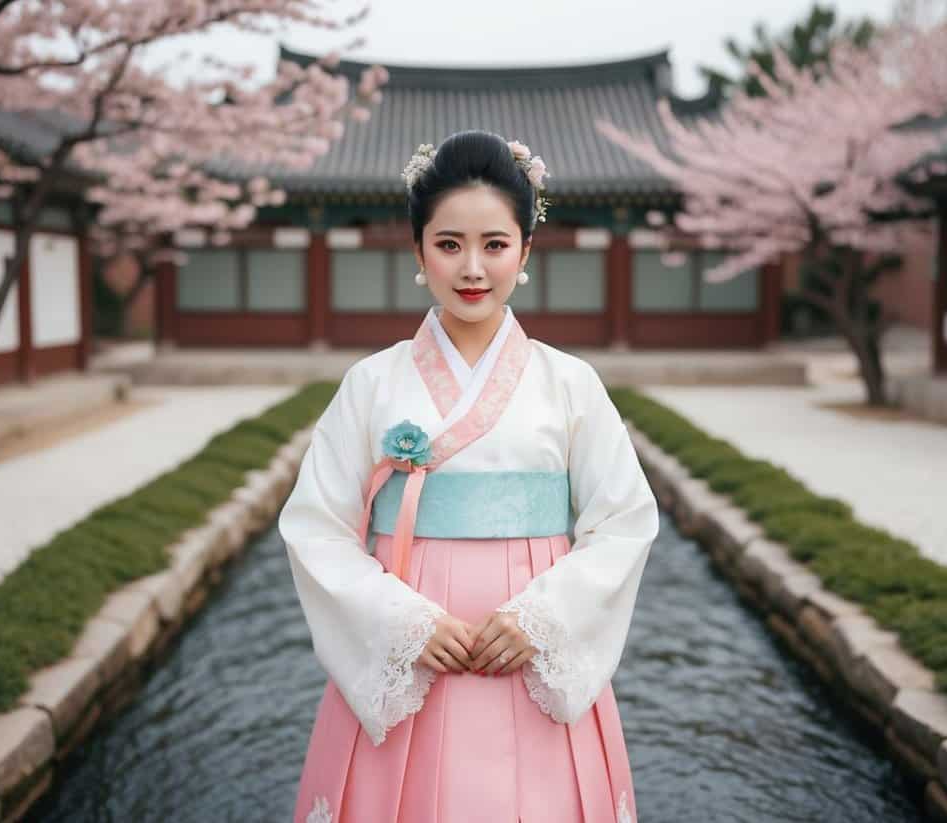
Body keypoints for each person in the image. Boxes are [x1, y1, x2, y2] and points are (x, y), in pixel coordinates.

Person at [278, 129, 660, 823]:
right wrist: (403, 625)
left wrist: (542, 621)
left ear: (526, 251)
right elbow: (317, 527)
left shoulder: (571, 383)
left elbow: (624, 521)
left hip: (529, 652)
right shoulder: (371, 382)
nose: (473, 267)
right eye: (449, 244)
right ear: (419, 251)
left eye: (495, 244)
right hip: (417, 647)